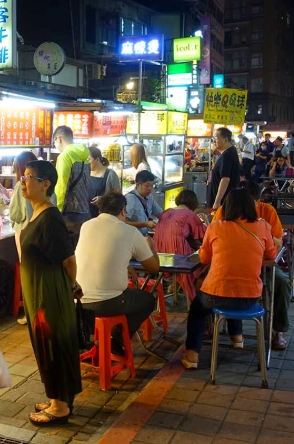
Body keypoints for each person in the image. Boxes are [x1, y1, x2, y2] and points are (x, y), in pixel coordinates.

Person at [181, 189, 277, 369]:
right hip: (250, 296)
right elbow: (271, 253)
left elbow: (204, 259)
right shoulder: (262, 226)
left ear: (228, 207)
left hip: (216, 293)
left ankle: (192, 356)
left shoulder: (216, 226)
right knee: (235, 293)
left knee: (197, 310)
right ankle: (237, 338)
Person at [19, 160, 82, 425]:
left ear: (45, 184)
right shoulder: (37, 213)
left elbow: (68, 259)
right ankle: (57, 397)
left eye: (29, 177)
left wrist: (72, 284)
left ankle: (60, 405)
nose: (23, 181)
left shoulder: (50, 218)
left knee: (52, 345)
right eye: (23, 176)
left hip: (48, 294)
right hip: (37, 293)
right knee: (44, 345)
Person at [75, 192, 159, 355]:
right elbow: (153, 268)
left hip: (78, 301)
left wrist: (125, 264)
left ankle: (107, 340)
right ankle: (117, 339)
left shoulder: (86, 225)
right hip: (108, 303)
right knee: (147, 300)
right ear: (122, 210)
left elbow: (99, 251)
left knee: (128, 296)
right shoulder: (129, 231)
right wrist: (151, 246)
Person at [214, 182, 291, 350]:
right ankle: (210, 326)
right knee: (203, 281)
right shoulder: (223, 212)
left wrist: (263, 234)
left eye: (253, 203)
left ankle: (278, 330)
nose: (250, 207)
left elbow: (277, 243)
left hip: (261, 265)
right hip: (228, 265)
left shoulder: (267, 212)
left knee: (282, 281)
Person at [9, 150, 54, 326]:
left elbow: (15, 214)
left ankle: (31, 313)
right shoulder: (46, 186)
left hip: (24, 232)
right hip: (39, 232)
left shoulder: (21, 188)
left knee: (28, 274)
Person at [153, 189, 207, 302]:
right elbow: (205, 235)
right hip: (179, 257)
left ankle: (175, 285)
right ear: (194, 203)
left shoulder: (166, 212)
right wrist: (206, 221)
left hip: (161, 255)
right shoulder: (190, 214)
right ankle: (197, 296)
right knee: (205, 259)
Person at [52, 126, 92, 234]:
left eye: (54, 141)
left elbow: (61, 186)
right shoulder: (85, 155)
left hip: (70, 214)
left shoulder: (65, 156)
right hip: (85, 210)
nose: (55, 145)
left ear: (59, 139)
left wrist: (57, 210)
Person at [209, 127, 240, 214]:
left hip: (224, 202)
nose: (214, 141)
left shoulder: (227, 155)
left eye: (216, 137)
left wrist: (217, 202)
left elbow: (225, 179)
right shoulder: (230, 152)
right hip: (228, 200)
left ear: (225, 139)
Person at [124, 170, 163, 237]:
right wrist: (145, 224)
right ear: (138, 185)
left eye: (152, 185)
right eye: (147, 186)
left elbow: (160, 214)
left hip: (146, 236)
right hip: (134, 238)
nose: (150, 189)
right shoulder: (130, 199)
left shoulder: (150, 197)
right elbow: (124, 223)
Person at [87, 145, 121, 218]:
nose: (87, 163)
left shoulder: (110, 174)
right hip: (87, 214)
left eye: (89, 159)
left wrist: (103, 199)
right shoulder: (86, 173)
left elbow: (119, 197)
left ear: (97, 159)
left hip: (104, 216)